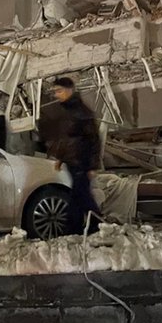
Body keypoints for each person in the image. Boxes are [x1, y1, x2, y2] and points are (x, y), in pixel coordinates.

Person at [49, 77, 102, 235]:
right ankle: (84, 227)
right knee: (79, 196)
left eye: (59, 91)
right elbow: (65, 139)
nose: (57, 95)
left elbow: (94, 140)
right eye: (55, 92)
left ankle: (92, 225)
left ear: (70, 90)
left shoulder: (82, 112)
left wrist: (92, 166)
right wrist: (60, 158)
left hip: (82, 161)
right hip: (71, 161)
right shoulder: (67, 111)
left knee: (80, 196)